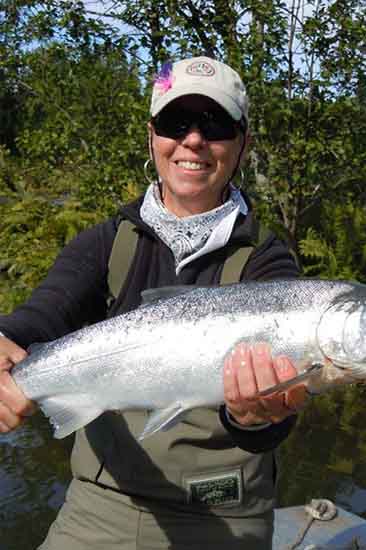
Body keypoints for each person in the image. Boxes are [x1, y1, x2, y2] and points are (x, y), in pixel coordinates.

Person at [0, 56, 309, 549]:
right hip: (102, 505)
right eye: (174, 122)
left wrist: (255, 417)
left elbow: (270, 424)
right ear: (152, 137)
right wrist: (7, 343)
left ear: (242, 145)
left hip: (225, 513)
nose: (193, 140)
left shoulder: (268, 262)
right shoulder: (106, 242)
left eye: (216, 125)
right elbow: (46, 311)